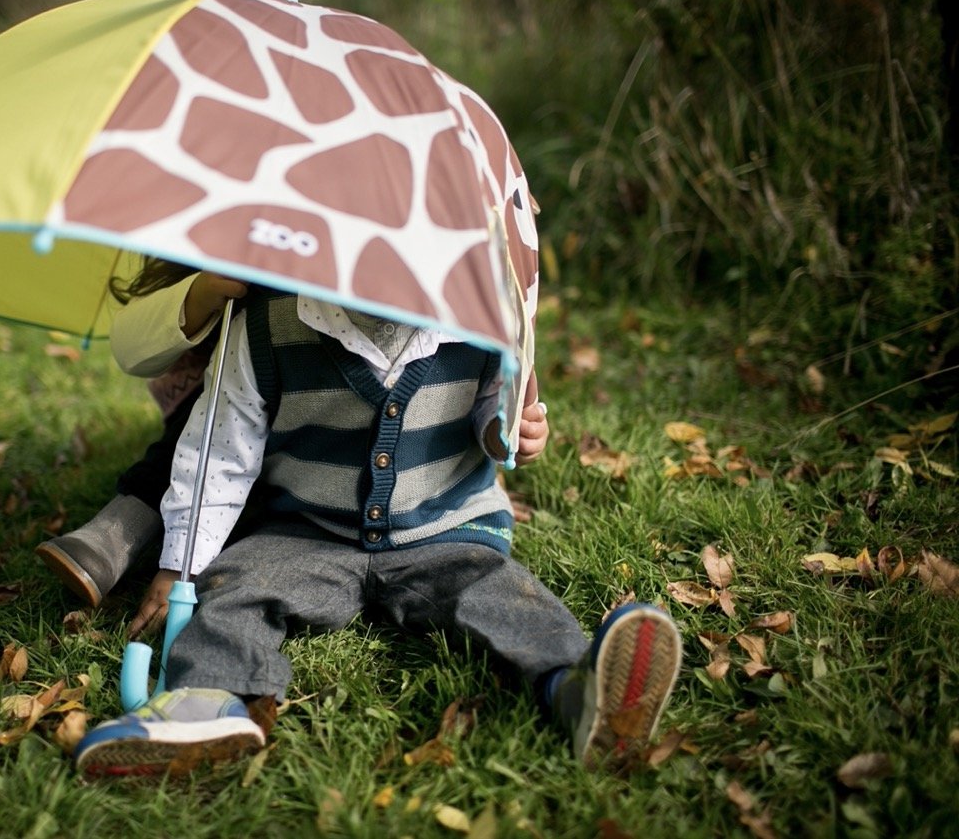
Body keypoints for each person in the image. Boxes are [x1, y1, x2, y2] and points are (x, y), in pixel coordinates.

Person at [72, 288, 680, 777]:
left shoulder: (484, 313)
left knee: (500, 593)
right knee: (237, 587)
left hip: (444, 527)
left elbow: (495, 420)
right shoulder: (265, 323)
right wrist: (181, 563)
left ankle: (576, 688)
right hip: (306, 529)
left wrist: (512, 432)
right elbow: (222, 453)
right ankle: (206, 699)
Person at [36, 258, 247, 620]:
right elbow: (129, 347)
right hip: (201, 413)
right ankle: (122, 528)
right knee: (204, 427)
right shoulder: (205, 261)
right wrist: (196, 298)